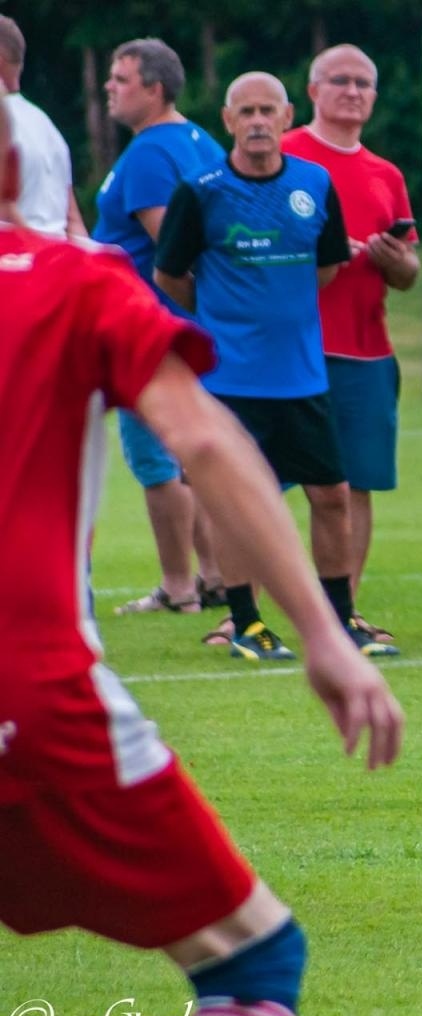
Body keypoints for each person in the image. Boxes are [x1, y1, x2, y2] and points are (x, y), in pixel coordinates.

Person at [0, 89, 404, 1016]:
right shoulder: (73, 280)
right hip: (30, 690)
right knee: (253, 963)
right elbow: (204, 442)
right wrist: (322, 634)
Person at [154, 71, 399, 659]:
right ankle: (246, 624)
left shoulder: (314, 183)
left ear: (288, 118)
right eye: (247, 112)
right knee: (237, 502)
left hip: (302, 377)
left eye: (269, 111)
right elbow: (169, 277)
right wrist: (225, 317)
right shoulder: (202, 189)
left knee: (333, 494)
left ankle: (341, 619)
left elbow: (327, 267)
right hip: (230, 380)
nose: (259, 122)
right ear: (228, 120)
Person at [284, 45, 419, 643]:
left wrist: (396, 260)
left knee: (355, 483)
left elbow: (410, 271)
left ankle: (343, 611)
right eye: (339, 80)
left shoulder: (385, 173)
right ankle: (246, 612)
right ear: (313, 91)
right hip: (289, 349)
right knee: (264, 482)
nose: (353, 91)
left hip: (366, 349)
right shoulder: (283, 155)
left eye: (364, 82)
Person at [94, 38, 229, 616]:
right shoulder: (200, 140)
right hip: (186, 328)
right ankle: (217, 576)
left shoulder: (150, 152)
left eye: (120, 79)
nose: (109, 88)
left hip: (148, 327)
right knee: (185, 457)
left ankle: (180, 587)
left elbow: (171, 247)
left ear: (154, 89)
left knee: (156, 462)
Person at [0, 16, 85, 238]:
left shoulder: (6, 127)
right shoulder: (48, 127)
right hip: (54, 261)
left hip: (14, 262)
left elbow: (6, 212)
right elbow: (72, 221)